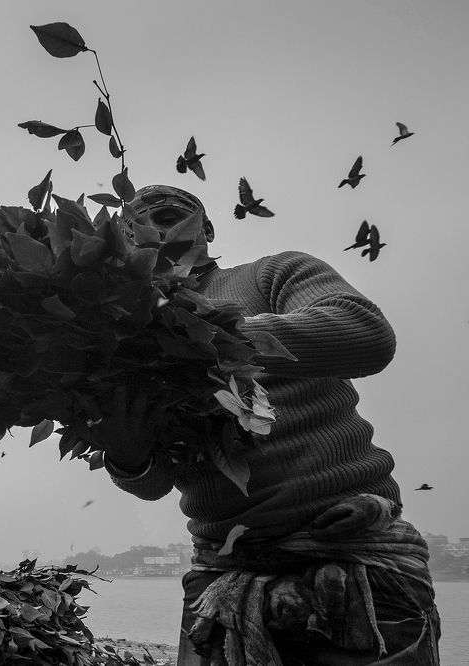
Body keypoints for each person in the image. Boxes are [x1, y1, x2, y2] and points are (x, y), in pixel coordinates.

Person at [94, 184, 440, 664]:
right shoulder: (124, 329)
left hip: (350, 551)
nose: (153, 230)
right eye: (133, 228)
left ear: (208, 230)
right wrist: (126, 457)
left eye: (170, 215)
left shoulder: (273, 274)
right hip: (223, 570)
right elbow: (153, 483)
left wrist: (209, 338)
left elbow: (366, 334)